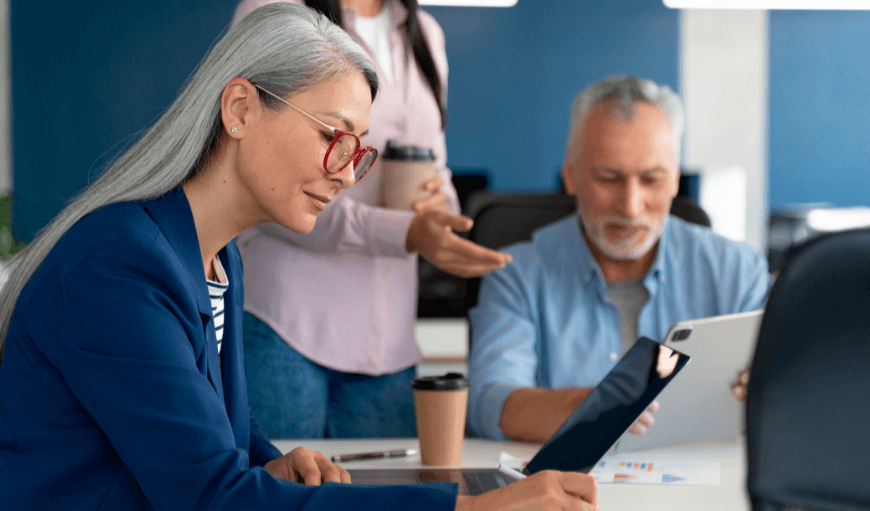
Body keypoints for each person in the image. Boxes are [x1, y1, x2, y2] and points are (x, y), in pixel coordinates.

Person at [0, 5, 596, 510]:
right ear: (239, 110)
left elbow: (216, 443)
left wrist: (270, 464)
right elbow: (217, 497)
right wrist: (472, 506)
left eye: (359, 153)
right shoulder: (120, 269)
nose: (346, 174)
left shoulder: (220, 260)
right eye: (331, 136)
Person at [231, 0, 508, 439]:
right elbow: (265, 186)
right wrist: (407, 233)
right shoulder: (276, 12)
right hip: (285, 330)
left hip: (388, 349)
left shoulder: (426, 35)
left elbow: (435, 168)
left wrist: (443, 216)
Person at [467, 75, 771, 442]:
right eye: (608, 178)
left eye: (652, 179)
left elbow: (786, 394)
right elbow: (488, 406)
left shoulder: (738, 272)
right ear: (571, 175)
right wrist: (588, 408)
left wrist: (771, 391)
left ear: (675, 179)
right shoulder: (514, 274)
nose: (630, 207)